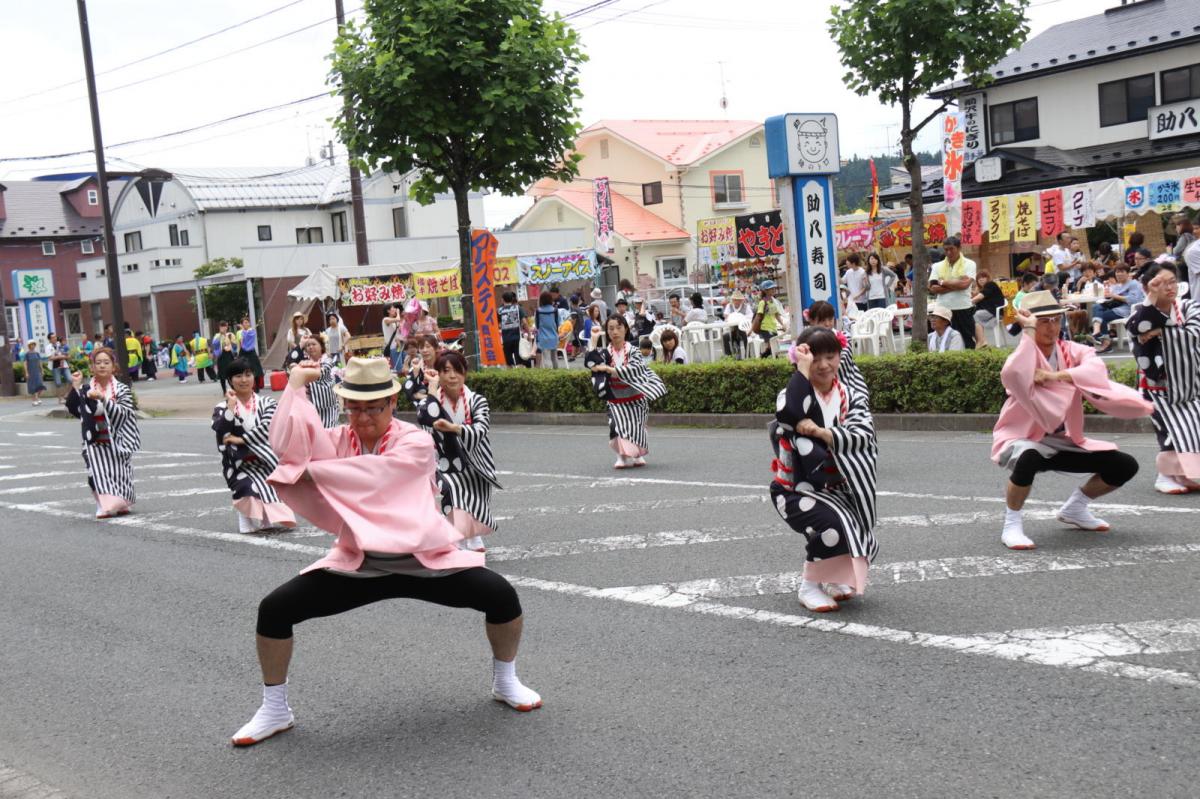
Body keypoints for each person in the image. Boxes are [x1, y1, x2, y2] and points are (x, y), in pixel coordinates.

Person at [229, 357, 540, 747]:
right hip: (362, 562)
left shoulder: (416, 441)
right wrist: (294, 388)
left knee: (501, 596)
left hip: (422, 560)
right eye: (354, 408)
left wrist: (316, 472)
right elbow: (290, 449)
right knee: (275, 610)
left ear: (392, 401)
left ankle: (505, 681)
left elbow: (377, 477)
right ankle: (275, 709)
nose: (362, 418)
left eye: (373, 408)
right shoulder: (339, 440)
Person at [992, 291, 1152, 550]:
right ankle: (1011, 524)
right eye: (1043, 321)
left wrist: (1056, 376)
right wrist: (1028, 332)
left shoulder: (1070, 351)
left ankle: (1075, 508)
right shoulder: (1023, 354)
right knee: (1027, 458)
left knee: (1124, 465)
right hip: (1022, 437)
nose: (1052, 327)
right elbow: (1013, 374)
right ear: (1029, 323)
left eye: (1056, 320)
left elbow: (1095, 369)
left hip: (1062, 440)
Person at [769, 326, 879, 612]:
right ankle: (809, 586)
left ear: (840, 357)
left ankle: (833, 579)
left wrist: (821, 433)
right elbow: (790, 415)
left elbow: (863, 433)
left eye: (830, 356)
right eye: (814, 358)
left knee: (856, 525)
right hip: (793, 489)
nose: (823, 365)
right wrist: (801, 371)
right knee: (832, 526)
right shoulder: (791, 393)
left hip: (838, 486)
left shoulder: (849, 395)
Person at [417, 350, 501, 553]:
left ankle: (472, 537)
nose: (452, 376)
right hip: (445, 461)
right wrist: (432, 388)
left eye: (457, 370)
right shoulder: (435, 400)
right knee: (453, 493)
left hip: (476, 461)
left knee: (474, 501)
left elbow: (481, 429)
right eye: (446, 371)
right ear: (439, 374)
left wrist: (455, 428)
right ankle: (460, 539)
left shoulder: (477, 400)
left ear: (465, 373)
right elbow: (424, 417)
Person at [1127, 263, 1200, 494]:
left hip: (1190, 383)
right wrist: (1151, 297)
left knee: (1193, 429)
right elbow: (1136, 329)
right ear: (1147, 288)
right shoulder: (1139, 311)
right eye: (1161, 283)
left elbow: (1196, 333)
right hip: (1157, 386)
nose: (1169, 287)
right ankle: (1164, 475)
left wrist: (1161, 332)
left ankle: (1183, 474)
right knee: (1170, 431)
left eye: (1172, 281)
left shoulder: (1188, 306)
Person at [213, 358, 297, 534]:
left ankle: (267, 518)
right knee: (246, 486)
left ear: (254, 377)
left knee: (270, 487)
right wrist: (230, 408)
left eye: (248, 374)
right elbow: (222, 432)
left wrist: (241, 439)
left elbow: (268, 426)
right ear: (230, 380)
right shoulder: (222, 407)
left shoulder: (267, 403)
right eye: (238, 376)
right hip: (239, 463)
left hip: (266, 460)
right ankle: (245, 517)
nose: (244, 380)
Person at [65, 347, 141, 519]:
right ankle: (102, 505)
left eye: (106, 362)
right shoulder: (87, 388)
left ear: (113, 366)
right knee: (96, 472)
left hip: (118, 439)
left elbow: (125, 413)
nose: (102, 366)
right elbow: (75, 409)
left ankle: (122, 502)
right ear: (92, 367)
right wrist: (76, 387)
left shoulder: (121, 389)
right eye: (98, 362)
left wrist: (103, 399)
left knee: (121, 473)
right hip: (94, 440)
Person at [588, 314, 667, 469]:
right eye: (611, 328)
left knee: (637, 427)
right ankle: (621, 457)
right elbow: (592, 363)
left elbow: (636, 368)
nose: (615, 332)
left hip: (635, 396)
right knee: (616, 427)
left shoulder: (634, 350)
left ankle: (637, 455)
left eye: (619, 328)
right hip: (615, 398)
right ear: (607, 331)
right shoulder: (605, 352)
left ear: (625, 329)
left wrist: (611, 369)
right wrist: (593, 340)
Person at [806, 300, 868, 398]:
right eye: (822, 320)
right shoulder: (806, 341)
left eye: (830, 319)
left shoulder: (842, 337)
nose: (827, 324)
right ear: (812, 321)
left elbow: (843, 362)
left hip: (849, 383)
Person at [928, 235, 977, 349]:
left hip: (963, 307)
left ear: (959, 248)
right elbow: (933, 288)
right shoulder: (937, 266)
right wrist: (957, 283)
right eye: (946, 250)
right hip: (943, 309)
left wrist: (942, 282)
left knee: (967, 341)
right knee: (943, 341)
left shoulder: (969, 264)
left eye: (951, 249)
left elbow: (965, 285)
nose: (949, 252)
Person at [287, 335, 339, 427]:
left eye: (314, 344)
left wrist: (298, 368)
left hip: (328, 407)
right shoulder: (305, 361)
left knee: (328, 432)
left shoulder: (328, 360)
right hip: (310, 407)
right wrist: (300, 345)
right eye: (308, 345)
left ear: (321, 347)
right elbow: (289, 360)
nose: (310, 347)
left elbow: (320, 374)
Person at [1091, 264, 1144, 353]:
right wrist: (1108, 295)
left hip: (1127, 310)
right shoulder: (1117, 285)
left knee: (1102, 316)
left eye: (1122, 272)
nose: (1119, 274)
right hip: (1116, 308)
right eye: (1117, 272)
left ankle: (1105, 343)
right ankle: (1097, 332)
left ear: (1128, 273)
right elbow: (1112, 299)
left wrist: (1114, 296)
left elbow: (1134, 300)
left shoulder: (1134, 284)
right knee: (1096, 307)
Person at [971, 269, 1007, 348]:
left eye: (983, 277)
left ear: (987, 278)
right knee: (972, 317)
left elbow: (980, 297)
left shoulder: (991, 284)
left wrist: (970, 302)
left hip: (994, 311)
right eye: (978, 278)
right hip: (990, 312)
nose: (981, 279)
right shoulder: (983, 289)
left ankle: (981, 341)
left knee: (976, 315)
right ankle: (981, 341)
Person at [751, 281, 784, 356]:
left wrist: (783, 325)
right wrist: (752, 329)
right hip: (765, 328)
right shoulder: (762, 302)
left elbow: (776, 314)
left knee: (772, 347)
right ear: (765, 291)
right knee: (771, 346)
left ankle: (764, 357)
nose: (774, 290)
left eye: (774, 288)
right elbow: (758, 316)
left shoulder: (773, 302)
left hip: (773, 327)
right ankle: (767, 358)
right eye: (771, 289)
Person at [498, 291, 526, 368]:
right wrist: (528, 332)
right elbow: (524, 322)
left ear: (502, 299)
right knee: (519, 361)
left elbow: (498, 325)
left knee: (509, 363)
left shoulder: (499, 310)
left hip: (506, 339)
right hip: (517, 338)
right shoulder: (518, 308)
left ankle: (511, 373)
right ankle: (521, 374)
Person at [534, 293, 561, 369]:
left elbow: (537, 325)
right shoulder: (555, 310)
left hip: (543, 337)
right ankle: (557, 373)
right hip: (554, 337)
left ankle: (548, 374)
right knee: (554, 358)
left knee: (546, 358)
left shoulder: (538, 311)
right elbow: (558, 323)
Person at [212, 321, 240, 394]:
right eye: (222, 326)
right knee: (222, 375)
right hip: (221, 356)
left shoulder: (230, 335)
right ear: (219, 327)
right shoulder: (217, 336)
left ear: (227, 327)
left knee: (230, 373)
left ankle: (234, 389)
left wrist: (231, 344)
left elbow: (235, 345)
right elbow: (215, 344)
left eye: (225, 326)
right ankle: (224, 391)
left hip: (229, 356)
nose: (224, 328)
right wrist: (221, 335)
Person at [237, 317, 265, 390]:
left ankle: (257, 387)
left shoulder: (252, 331)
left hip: (251, 351)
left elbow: (247, 336)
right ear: (242, 324)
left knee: (255, 369)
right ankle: (243, 386)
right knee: (241, 368)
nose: (246, 324)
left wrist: (243, 330)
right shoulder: (239, 332)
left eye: (247, 322)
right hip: (243, 351)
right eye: (244, 323)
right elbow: (239, 341)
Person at [46, 334, 71, 402]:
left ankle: (66, 394)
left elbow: (68, 354)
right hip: (55, 366)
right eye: (53, 337)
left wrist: (66, 356)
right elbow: (50, 358)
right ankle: (60, 399)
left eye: (55, 337)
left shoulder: (60, 344)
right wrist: (60, 357)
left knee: (70, 379)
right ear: (49, 339)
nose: (55, 338)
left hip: (64, 365)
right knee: (58, 383)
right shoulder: (48, 347)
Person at [381, 303, 404, 369]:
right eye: (393, 308)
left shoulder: (394, 322)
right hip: (392, 348)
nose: (395, 309)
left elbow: (397, 335)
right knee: (398, 368)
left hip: (398, 347)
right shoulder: (385, 320)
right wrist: (398, 313)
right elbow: (398, 319)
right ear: (388, 311)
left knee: (401, 367)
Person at [23, 341, 45, 406]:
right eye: (31, 344)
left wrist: (42, 370)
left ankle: (37, 397)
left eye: (33, 344)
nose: (33, 346)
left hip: (37, 371)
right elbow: (25, 364)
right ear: (29, 346)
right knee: (32, 386)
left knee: (40, 385)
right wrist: (26, 372)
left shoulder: (37, 353)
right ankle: (34, 400)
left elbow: (39, 362)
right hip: (31, 372)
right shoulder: (27, 354)